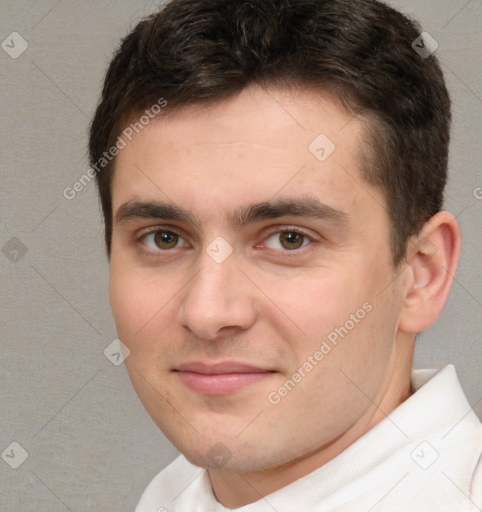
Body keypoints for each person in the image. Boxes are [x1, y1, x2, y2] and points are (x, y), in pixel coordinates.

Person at [88, 0, 482, 509]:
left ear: (422, 273)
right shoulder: (169, 497)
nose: (207, 313)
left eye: (288, 239)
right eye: (164, 238)